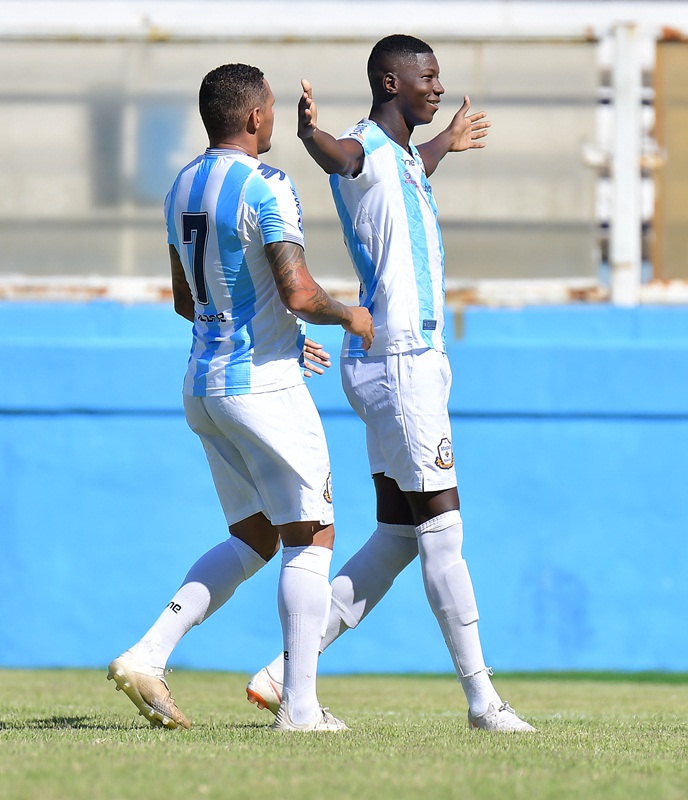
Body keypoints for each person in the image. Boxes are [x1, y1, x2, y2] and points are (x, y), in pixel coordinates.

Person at [243, 34, 535, 733]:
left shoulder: (401, 155)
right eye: (427, 77)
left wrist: (446, 145)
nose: (439, 87)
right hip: (400, 362)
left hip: (402, 361)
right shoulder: (363, 147)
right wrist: (309, 134)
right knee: (444, 531)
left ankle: (285, 674)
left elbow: (409, 163)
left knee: (401, 535)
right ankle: (483, 701)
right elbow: (343, 157)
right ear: (390, 82)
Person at [107, 63, 374, 733]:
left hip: (205, 383)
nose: (274, 118)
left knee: (256, 535)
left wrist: (283, 338)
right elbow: (299, 292)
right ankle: (301, 709)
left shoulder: (180, 186)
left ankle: (147, 654)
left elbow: (187, 300)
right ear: (256, 117)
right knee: (312, 533)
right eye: (272, 109)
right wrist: (351, 317)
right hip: (261, 387)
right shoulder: (267, 184)